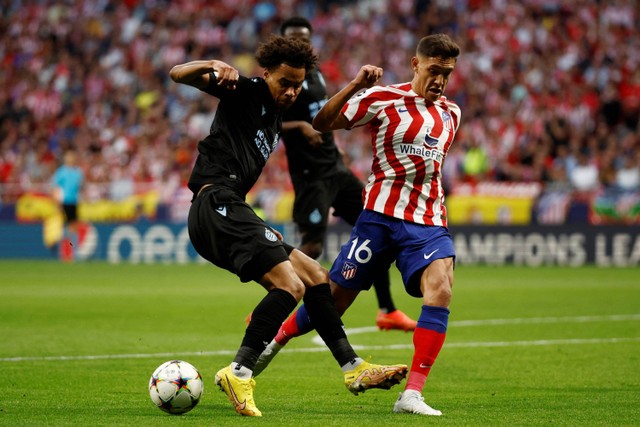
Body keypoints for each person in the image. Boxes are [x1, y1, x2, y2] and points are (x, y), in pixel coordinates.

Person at [169, 35, 407, 418]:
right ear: (266, 75)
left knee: (314, 274)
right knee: (290, 284)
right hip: (216, 204)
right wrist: (213, 63)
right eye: (285, 82)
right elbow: (177, 73)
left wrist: (356, 86)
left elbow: (317, 120)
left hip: (231, 207)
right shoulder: (244, 90)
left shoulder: (278, 114)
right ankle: (239, 371)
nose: (292, 90)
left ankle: (353, 369)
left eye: (298, 84)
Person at [255, 34, 461, 417]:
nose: (440, 80)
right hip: (378, 219)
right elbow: (323, 121)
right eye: (434, 70)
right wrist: (356, 86)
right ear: (416, 65)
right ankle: (276, 340)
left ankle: (411, 395)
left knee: (441, 288)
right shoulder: (383, 98)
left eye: (446, 73)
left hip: (428, 222)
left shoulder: (452, 113)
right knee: (333, 300)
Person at [279, 16, 416, 331]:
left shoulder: (315, 75)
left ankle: (387, 311)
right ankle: (274, 306)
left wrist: (334, 143)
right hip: (310, 176)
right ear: (284, 42)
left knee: (375, 231)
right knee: (311, 246)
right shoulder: (283, 79)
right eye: (293, 38)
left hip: (335, 170)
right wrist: (299, 126)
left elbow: (323, 114)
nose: (300, 42)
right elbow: (269, 122)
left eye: (304, 37)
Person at [51, 149, 84, 260]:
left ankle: (68, 251)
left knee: (72, 228)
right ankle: (68, 251)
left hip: (73, 202)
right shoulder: (62, 172)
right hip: (65, 202)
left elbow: (80, 187)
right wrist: (57, 201)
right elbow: (55, 186)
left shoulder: (77, 172)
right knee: (71, 228)